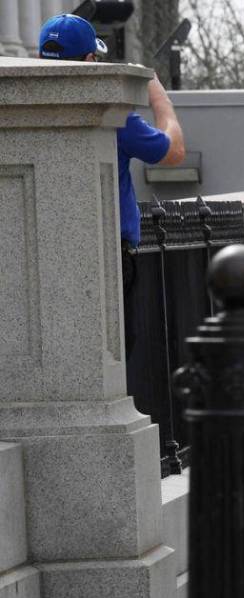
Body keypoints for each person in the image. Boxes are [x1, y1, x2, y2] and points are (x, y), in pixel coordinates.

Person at [39, 14, 186, 356]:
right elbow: (174, 151)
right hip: (109, 255)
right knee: (115, 351)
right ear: (91, 60)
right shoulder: (113, 116)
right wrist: (159, 99)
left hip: (44, 250)